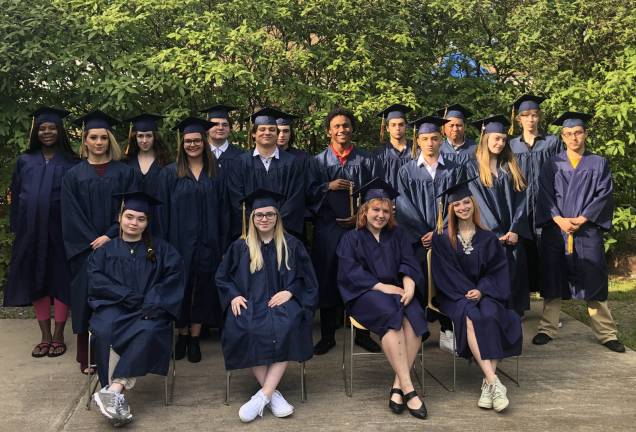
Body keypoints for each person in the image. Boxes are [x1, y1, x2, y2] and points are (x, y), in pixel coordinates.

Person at [216, 189, 318, 423]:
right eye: (259, 214)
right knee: (245, 328)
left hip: (282, 303)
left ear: (277, 217)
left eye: (270, 214)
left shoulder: (292, 244)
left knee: (288, 326)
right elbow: (222, 277)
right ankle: (271, 394)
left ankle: (262, 396)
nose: (264, 219)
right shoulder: (240, 246)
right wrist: (232, 295)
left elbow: (308, 279)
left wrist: (291, 292)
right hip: (250, 303)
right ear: (251, 218)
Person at [88, 191, 184, 427]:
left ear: (148, 223)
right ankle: (114, 398)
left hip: (149, 309)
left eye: (141, 219)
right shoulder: (105, 251)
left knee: (150, 330)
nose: (134, 223)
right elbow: (95, 280)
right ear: (119, 217)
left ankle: (113, 390)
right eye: (129, 216)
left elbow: (172, 279)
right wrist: (125, 295)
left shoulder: (163, 250)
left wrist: (151, 301)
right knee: (105, 329)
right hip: (114, 307)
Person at [532, 112, 625, 353]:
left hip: (587, 230)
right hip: (557, 230)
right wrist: (559, 219)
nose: (574, 137)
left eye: (578, 133)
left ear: (585, 134)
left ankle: (606, 333)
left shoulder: (598, 163)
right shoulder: (552, 163)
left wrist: (583, 218)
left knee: (594, 276)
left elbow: (604, 196)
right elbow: (544, 195)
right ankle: (547, 328)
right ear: (562, 137)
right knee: (553, 279)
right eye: (569, 134)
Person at [337, 178, 429, 419]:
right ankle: (410, 389)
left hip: (398, 291)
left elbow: (409, 261)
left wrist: (409, 284)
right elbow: (349, 273)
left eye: (385, 211)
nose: (380, 215)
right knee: (391, 315)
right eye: (375, 210)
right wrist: (381, 287)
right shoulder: (351, 238)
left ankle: (398, 385)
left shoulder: (397, 235)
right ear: (364, 210)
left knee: (415, 315)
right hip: (364, 295)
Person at [431, 180, 523, 413]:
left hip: (485, 292)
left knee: (493, 314)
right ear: (450, 209)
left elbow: (496, 271)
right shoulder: (441, 238)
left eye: (466, 202)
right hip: (454, 295)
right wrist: (466, 292)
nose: (462, 207)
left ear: (473, 204)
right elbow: (444, 274)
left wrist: (481, 290)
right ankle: (494, 382)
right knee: (472, 316)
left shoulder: (488, 237)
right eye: (457, 204)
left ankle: (488, 384)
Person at [61, 110, 137, 373]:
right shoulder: (73, 175)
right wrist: (92, 240)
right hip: (85, 250)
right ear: (85, 141)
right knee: (86, 299)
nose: (99, 142)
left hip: (118, 242)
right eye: (93, 137)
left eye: (103, 137)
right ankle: (89, 358)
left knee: (118, 297)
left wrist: (110, 233)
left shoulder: (124, 172)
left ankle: (120, 354)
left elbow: (132, 209)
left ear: (110, 140)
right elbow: (70, 214)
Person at [307, 107, 384, 355]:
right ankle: (328, 335)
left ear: (352, 129)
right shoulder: (317, 162)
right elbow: (307, 194)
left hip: (359, 229)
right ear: (329, 131)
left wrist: (361, 215)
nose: (342, 130)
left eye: (346, 125)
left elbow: (376, 193)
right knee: (327, 278)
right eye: (337, 126)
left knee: (362, 277)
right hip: (328, 229)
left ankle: (362, 333)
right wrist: (327, 186)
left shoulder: (366, 160)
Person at [5, 107, 78, 358]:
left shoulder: (71, 162)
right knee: (37, 281)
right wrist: (17, 227)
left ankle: (58, 334)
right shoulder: (25, 161)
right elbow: (16, 196)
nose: (47, 132)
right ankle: (44, 335)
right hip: (31, 231)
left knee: (60, 280)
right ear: (36, 131)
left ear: (60, 131)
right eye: (43, 128)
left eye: (52, 128)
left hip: (60, 231)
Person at [395, 115, 465, 352]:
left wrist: (440, 232)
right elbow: (403, 205)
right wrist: (423, 233)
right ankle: (419, 330)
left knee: (447, 283)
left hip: (446, 239)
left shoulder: (454, 170)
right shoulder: (406, 171)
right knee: (419, 282)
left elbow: (458, 204)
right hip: (417, 241)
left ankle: (447, 329)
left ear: (441, 139)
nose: (430, 143)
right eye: (425, 139)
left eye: (435, 138)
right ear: (418, 141)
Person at [159, 117, 223, 362]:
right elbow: (161, 213)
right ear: (181, 143)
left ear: (204, 142)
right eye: (188, 141)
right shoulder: (170, 174)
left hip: (209, 242)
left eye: (197, 140)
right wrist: (163, 246)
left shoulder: (215, 173)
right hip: (178, 244)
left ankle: (195, 337)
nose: (193, 144)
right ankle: (182, 334)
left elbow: (225, 210)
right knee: (180, 290)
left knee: (203, 289)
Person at [469, 115, 530, 316]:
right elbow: (476, 202)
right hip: (487, 236)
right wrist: (494, 233)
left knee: (513, 275)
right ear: (485, 138)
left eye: (503, 139)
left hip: (511, 237)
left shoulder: (511, 167)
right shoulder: (473, 168)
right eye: (496, 138)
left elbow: (523, 202)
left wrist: (515, 230)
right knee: (490, 276)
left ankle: (513, 317)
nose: (500, 143)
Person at [509, 94, 562, 294]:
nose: (530, 119)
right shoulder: (512, 145)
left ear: (539, 117)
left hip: (546, 206)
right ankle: (522, 304)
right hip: (520, 207)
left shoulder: (552, 142)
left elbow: (561, 175)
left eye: (534, 115)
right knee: (521, 256)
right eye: (525, 115)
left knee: (547, 256)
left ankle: (550, 307)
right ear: (519, 119)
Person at [228, 107, 305, 239]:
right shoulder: (240, 163)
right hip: (251, 234)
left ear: (276, 133)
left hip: (283, 234)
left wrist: (276, 225)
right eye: (262, 129)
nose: (267, 133)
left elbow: (295, 199)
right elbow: (237, 199)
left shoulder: (292, 163)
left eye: (272, 129)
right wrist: (257, 224)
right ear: (253, 134)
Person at [200, 104, 244, 249]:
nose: (220, 127)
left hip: (234, 223)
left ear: (230, 129)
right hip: (204, 221)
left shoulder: (241, 157)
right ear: (206, 129)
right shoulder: (197, 156)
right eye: (215, 124)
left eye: (225, 124)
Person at [123, 113, 172, 237]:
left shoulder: (166, 164)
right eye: (140, 136)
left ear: (155, 137)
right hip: (133, 223)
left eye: (148, 136)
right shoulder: (126, 164)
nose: (144, 140)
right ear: (135, 137)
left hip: (160, 220)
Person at [374, 104, 413, 188]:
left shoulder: (416, 150)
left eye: (401, 124)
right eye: (393, 125)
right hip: (388, 199)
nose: (397, 128)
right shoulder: (380, 153)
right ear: (387, 128)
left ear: (406, 126)